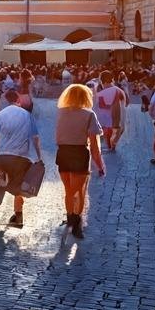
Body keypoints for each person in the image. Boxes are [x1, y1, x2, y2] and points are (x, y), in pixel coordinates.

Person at [0, 88, 44, 229]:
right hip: (22, 158)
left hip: (2, 157)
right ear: (18, 100)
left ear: (6, 101)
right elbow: (35, 138)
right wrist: (39, 156)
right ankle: (18, 217)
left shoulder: (0, 116)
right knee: (18, 189)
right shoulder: (27, 115)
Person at [55, 83, 105, 238]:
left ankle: (70, 217)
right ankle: (77, 222)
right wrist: (100, 165)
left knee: (69, 190)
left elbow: (58, 136)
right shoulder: (89, 114)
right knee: (80, 190)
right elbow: (95, 145)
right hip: (79, 153)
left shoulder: (61, 113)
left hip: (63, 153)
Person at [94, 71, 126, 152]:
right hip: (119, 121)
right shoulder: (119, 90)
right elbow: (126, 102)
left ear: (102, 81)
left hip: (108, 123)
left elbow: (99, 106)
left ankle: (110, 146)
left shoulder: (100, 94)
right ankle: (113, 145)